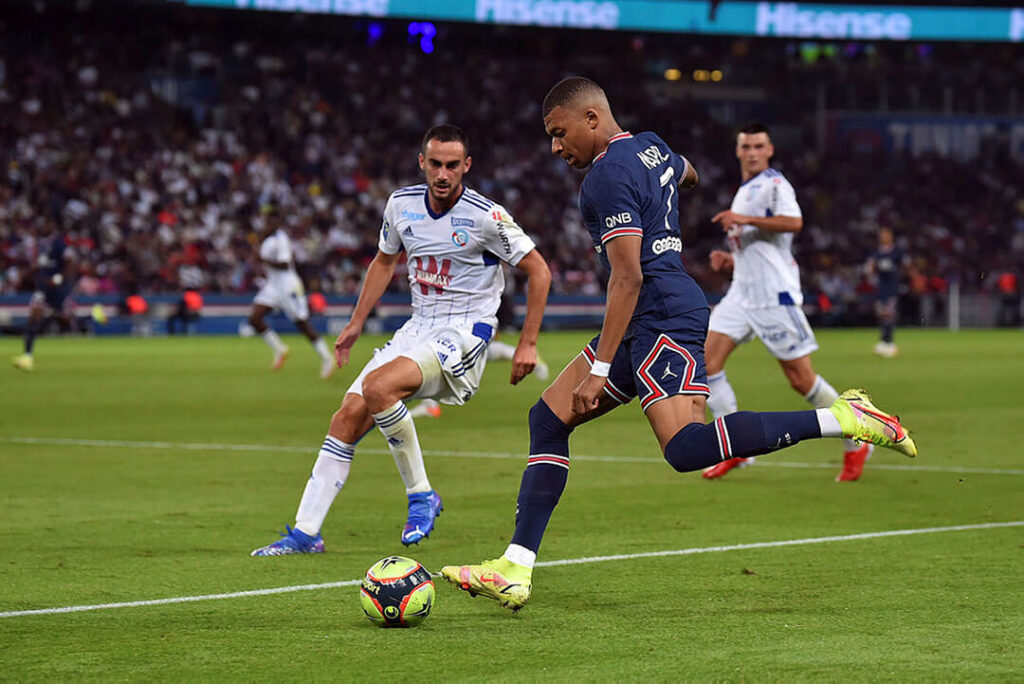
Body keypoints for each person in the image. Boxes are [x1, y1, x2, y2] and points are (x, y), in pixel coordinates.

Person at [440, 77, 916, 611]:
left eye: (559, 132)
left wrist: (599, 367)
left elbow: (627, 278)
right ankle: (514, 567)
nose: (555, 146)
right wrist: (664, 183)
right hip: (658, 308)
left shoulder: (604, 178)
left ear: (591, 118)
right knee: (547, 419)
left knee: (686, 449)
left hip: (659, 311)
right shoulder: (651, 145)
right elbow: (686, 173)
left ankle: (843, 419)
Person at [251, 124, 552, 555]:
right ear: (422, 163)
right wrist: (356, 322)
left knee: (378, 388)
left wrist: (528, 343)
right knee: (347, 415)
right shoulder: (401, 205)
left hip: (464, 331)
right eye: (435, 164)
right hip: (417, 326)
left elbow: (539, 270)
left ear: (466, 166)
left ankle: (421, 494)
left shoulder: (487, 217)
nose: (443, 173)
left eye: (452, 165)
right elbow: (383, 261)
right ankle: (305, 533)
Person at [700, 122, 873, 483]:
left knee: (801, 380)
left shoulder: (774, 185)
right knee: (706, 363)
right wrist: (732, 261)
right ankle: (737, 448)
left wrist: (743, 218)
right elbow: (763, 248)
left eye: (757, 146)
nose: (751, 152)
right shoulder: (745, 191)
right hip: (742, 295)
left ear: (769, 150)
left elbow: (794, 222)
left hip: (773, 298)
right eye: (745, 146)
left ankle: (857, 437)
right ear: (738, 151)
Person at [409, 270, 549, 419]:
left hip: (468, 325)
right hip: (465, 324)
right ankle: (429, 405)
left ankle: (429, 406)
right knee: (440, 360)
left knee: (436, 359)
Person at [247, 205, 335, 380]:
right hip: (273, 286)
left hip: (288, 286)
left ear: (277, 222)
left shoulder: (281, 240)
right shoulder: (268, 238)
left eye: (271, 219)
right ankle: (280, 349)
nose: (267, 222)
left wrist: (263, 260)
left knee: (302, 323)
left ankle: (327, 358)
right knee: (255, 318)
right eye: (266, 219)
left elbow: (285, 264)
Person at [12, 218, 77, 371]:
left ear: (52, 225)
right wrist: (29, 273)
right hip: (43, 290)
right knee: (34, 316)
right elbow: (40, 265)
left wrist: (59, 278)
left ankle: (81, 323)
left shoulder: (59, 243)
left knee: (65, 320)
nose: (43, 226)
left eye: (47, 223)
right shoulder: (39, 244)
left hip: (59, 290)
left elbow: (71, 262)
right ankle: (27, 356)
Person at [865, 227, 910, 356]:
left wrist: (901, 278)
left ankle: (889, 342)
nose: (882, 237)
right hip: (881, 288)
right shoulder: (876, 253)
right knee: (881, 315)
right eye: (881, 235)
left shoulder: (897, 252)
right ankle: (884, 342)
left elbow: (906, 266)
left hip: (892, 288)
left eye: (885, 235)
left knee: (889, 314)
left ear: (891, 236)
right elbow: (870, 269)